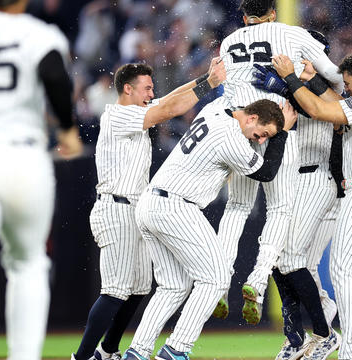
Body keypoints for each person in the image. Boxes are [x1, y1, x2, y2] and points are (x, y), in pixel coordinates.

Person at [72, 59, 226, 360]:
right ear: (127, 89)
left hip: (134, 209)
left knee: (140, 288)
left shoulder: (139, 108)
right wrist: (209, 84)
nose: (151, 92)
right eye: (146, 88)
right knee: (116, 289)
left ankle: (108, 350)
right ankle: (82, 357)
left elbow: (168, 100)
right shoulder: (118, 115)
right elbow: (169, 109)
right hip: (115, 208)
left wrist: (205, 77)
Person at [121, 99, 296, 360]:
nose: (261, 141)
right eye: (263, 133)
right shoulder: (231, 138)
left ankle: (137, 351)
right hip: (176, 206)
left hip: (150, 204)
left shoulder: (213, 110)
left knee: (172, 286)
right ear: (251, 118)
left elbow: (227, 95)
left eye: (266, 137)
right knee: (216, 279)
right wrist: (281, 134)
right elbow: (266, 172)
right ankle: (176, 349)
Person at [206, 0, 344, 327]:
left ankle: (220, 282)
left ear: (243, 17)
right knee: (279, 209)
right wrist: (303, 76)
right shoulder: (292, 34)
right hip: (279, 127)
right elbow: (336, 75)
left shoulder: (228, 41)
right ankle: (256, 279)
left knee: (237, 208)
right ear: (273, 13)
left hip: (239, 128)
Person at [272, 49, 352, 360]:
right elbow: (337, 102)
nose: (346, 89)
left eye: (349, 83)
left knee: (342, 269)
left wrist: (291, 77)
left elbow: (320, 109)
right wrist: (313, 78)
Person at [0, 0, 82, 359]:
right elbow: (55, 76)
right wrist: (68, 131)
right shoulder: (38, 34)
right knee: (28, 263)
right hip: (23, 156)